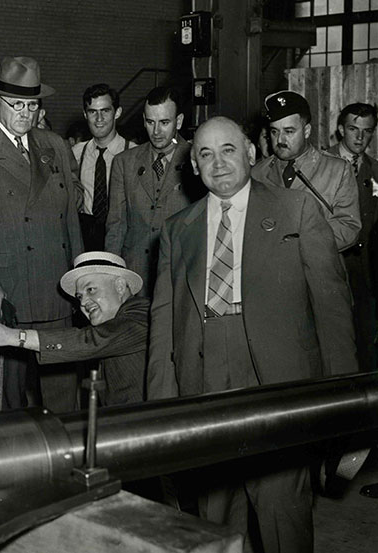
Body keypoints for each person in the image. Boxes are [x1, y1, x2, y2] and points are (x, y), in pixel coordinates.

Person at [147, 116, 358, 552]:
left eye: (228, 149)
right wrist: (161, 413)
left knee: (283, 515)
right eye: (205, 153)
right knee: (215, 519)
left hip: (277, 386)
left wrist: (343, 405)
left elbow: (333, 313)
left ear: (250, 153)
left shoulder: (296, 209)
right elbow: (164, 328)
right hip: (204, 385)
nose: (218, 162)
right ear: (192, 166)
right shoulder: (176, 230)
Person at [0, 56, 83, 412]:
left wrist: (79, 278)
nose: (26, 113)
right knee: (7, 401)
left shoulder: (54, 145)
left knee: (63, 401)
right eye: (17, 105)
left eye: (32, 104)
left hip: (57, 291)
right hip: (7, 296)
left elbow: (70, 219)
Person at [0, 251, 149, 406]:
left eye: (91, 290)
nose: (83, 303)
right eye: (79, 297)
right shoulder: (116, 320)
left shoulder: (143, 314)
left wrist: (10, 336)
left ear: (119, 286)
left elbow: (92, 340)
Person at [105, 86, 203, 297]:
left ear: (178, 121)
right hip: (134, 276)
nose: (156, 131)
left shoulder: (197, 160)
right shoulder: (124, 162)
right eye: (150, 122)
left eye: (164, 123)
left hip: (180, 275)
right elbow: (116, 226)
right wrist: (112, 276)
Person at [251, 90, 360, 252]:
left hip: (316, 269)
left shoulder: (337, 170)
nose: (280, 140)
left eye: (289, 132)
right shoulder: (257, 172)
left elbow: (349, 227)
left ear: (307, 131)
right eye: (274, 132)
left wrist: (298, 243)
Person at [326, 102, 378, 373]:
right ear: (339, 130)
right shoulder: (322, 165)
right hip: (333, 266)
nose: (359, 137)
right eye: (353, 129)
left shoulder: (376, 170)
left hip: (366, 272)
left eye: (367, 131)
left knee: (366, 341)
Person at [72, 84, 130, 251]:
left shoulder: (133, 153)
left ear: (117, 112)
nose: (99, 118)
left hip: (122, 236)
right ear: (85, 114)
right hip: (86, 237)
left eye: (105, 111)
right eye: (92, 112)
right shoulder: (75, 154)